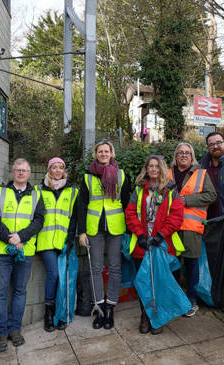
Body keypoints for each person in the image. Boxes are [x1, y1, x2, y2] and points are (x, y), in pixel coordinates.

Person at [0, 158, 45, 352]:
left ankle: (15, 330)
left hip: (24, 250)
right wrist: (9, 238)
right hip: (0, 251)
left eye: (25, 170)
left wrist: (21, 237)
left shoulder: (37, 195)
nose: (21, 173)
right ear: (12, 172)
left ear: (29, 174)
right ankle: (1, 333)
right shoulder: (0, 193)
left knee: (20, 291)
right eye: (18, 170)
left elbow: (39, 220)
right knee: (0, 293)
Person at [125, 155, 184, 335]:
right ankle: (145, 316)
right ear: (146, 169)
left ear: (162, 169)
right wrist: (140, 234)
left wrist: (161, 235)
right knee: (144, 283)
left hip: (162, 244)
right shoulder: (139, 190)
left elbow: (176, 216)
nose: (153, 169)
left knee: (159, 282)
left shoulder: (171, 190)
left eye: (157, 167)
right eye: (150, 166)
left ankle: (157, 317)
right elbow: (130, 213)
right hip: (142, 245)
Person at [78, 140, 131, 329]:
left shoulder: (122, 175)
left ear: (111, 153)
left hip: (115, 227)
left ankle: (110, 309)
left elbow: (126, 203)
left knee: (115, 268)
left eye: (106, 151)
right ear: (95, 154)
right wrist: (82, 231)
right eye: (100, 151)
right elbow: (82, 206)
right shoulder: (87, 177)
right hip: (94, 228)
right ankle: (99, 308)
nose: (103, 154)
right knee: (96, 269)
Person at [169, 142, 217, 317]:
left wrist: (187, 200)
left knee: (191, 264)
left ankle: (191, 300)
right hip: (170, 227)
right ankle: (173, 299)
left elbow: (211, 195)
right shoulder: (167, 173)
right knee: (172, 264)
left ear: (192, 156)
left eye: (187, 153)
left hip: (190, 226)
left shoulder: (201, 173)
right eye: (180, 152)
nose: (183, 155)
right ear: (175, 156)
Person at [35, 157, 79, 332]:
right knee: (53, 274)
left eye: (61, 168)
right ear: (49, 170)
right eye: (54, 167)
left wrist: (70, 239)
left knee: (64, 278)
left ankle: (62, 314)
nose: (58, 170)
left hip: (64, 241)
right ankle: (49, 313)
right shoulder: (39, 191)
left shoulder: (72, 191)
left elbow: (75, 217)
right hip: (46, 241)